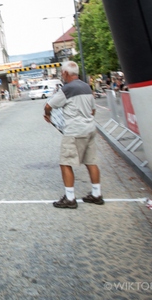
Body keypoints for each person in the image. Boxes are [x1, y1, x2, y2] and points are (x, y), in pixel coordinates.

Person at [44, 61, 103, 209]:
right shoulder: (86, 87)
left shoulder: (67, 89)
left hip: (74, 131)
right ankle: (97, 194)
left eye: (62, 73)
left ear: (65, 73)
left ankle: (70, 198)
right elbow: (93, 110)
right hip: (90, 128)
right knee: (91, 161)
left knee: (66, 163)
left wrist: (47, 114)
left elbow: (49, 105)